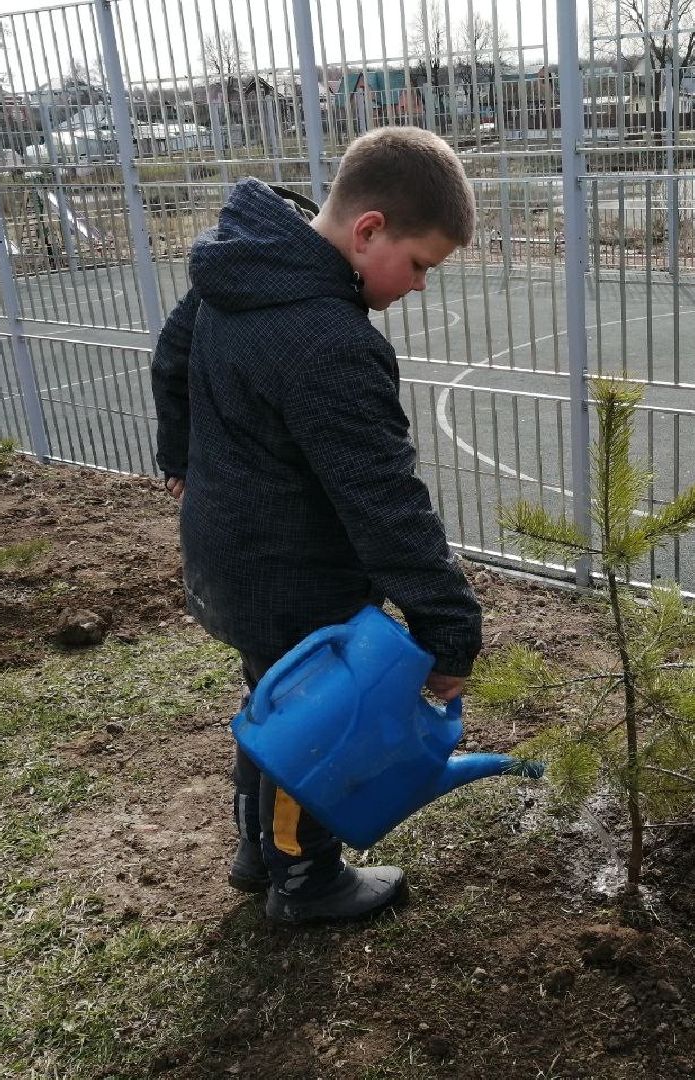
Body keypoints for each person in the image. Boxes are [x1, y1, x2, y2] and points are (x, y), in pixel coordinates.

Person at [150, 127, 483, 925]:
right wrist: (448, 627)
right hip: (294, 574)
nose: (421, 287)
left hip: (226, 550)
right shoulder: (328, 344)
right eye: (421, 266)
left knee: (274, 701)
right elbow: (384, 502)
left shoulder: (239, 273)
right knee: (318, 721)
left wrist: (182, 460)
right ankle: (305, 878)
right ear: (369, 230)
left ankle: (253, 851)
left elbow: (171, 355)